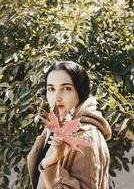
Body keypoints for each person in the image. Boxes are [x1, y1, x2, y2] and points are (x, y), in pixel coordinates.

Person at [27, 61, 112, 189]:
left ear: (81, 91)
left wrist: (50, 166)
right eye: (51, 89)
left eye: (66, 88)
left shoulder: (86, 135)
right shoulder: (53, 129)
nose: (57, 97)